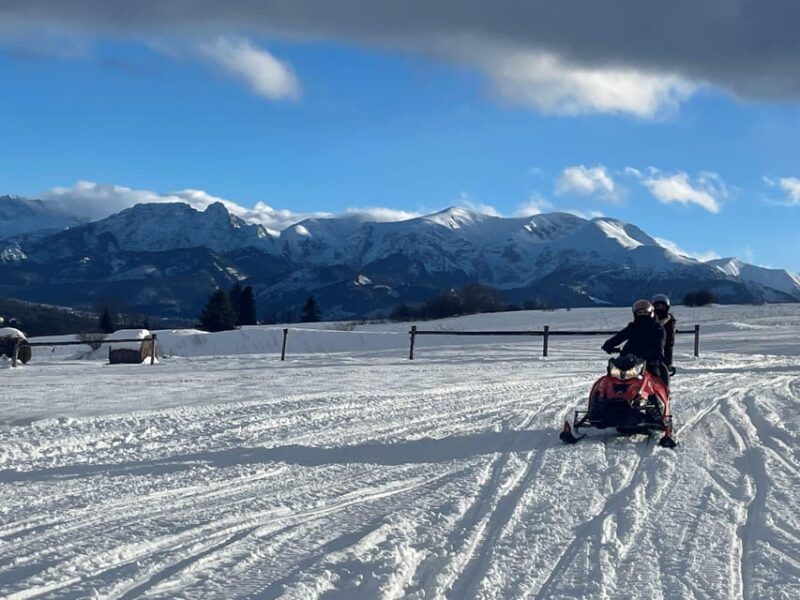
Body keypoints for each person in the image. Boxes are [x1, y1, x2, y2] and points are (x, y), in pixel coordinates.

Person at [602, 299, 669, 386]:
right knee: (612, 375)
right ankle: (603, 395)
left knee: (657, 379)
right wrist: (608, 345)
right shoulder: (633, 327)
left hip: (648, 361)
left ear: (651, 313)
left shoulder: (657, 329)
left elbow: (659, 345)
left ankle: (657, 397)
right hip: (628, 359)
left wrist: (653, 355)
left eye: (645, 313)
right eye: (639, 313)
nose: (642, 315)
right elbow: (620, 336)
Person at [652, 293, 676, 376]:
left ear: (667, 307)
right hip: (645, 351)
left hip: (661, 353)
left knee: (661, 375)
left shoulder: (669, 321)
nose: (659, 309)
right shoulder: (648, 319)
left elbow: (670, 342)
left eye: (662, 306)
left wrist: (668, 361)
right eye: (657, 306)